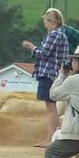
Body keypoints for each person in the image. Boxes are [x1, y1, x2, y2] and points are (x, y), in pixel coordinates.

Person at [22, 8, 69, 147]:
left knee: (51, 107)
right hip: (53, 73)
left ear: (52, 22)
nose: (44, 23)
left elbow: (43, 53)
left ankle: (51, 139)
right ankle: (50, 139)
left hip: (49, 73)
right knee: (51, 107)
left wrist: (31, 47)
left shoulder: (55, 35)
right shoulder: (59, 34)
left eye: (46, 20)